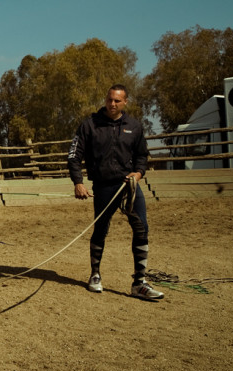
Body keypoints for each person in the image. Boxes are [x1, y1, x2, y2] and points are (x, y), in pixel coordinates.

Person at [67, 84, 164, 301]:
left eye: (117, 101)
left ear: (125, 102)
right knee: (100, 229)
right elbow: (74, 155)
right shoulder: (89, 125)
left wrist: (138, 174)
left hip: (129, 186)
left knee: (142, 228)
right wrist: (78, 183)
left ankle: (139, 283)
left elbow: (141, 156)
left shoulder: (134, 126)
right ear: (105, 99)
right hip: (103, 186)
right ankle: (95, 275)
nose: (112, 104)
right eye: (110, 99)